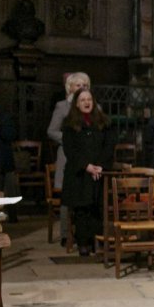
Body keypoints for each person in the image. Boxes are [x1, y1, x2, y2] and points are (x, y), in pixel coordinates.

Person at [61, 88, 113, 256]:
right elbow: (70, 150)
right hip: (79, 174)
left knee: (97, 207)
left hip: (99, 173)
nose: (86, 102)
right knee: (82, 208)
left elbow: (108, 146)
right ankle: (83, 242)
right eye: (82, 100)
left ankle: (97, 241)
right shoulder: (69, 125)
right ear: (77, 103)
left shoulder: (103, 122)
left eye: (89, 99)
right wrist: (87, 166)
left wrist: (100, 166)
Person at [47, 72, 90, 247]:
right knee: (68, 195)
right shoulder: (62, 106)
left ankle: (85, 232)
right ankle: (65, 233)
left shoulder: (93, 106)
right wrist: (70, 139)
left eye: (85, 85)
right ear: (70, 88)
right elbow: (52, 131)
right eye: (78, 85)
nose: (82, 89)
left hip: (88, 157)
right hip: (67, 156)